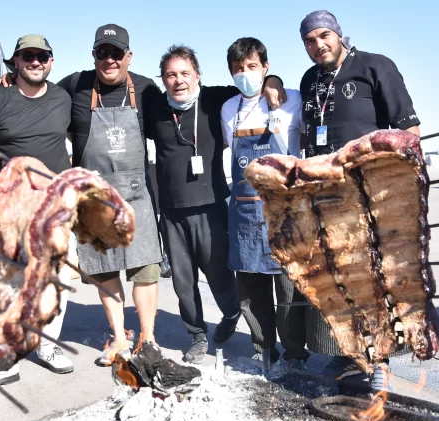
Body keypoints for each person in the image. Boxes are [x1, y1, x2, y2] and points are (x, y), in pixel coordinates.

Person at [299, 10, 420, 390]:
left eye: (323, 36)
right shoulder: (309, 81)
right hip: (326, 197)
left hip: (368, 194)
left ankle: (381, 362)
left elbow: (409, 130)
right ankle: (351, 354)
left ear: (338, 35)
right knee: (340, 278)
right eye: (309, 41)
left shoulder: (374, 66)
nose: (318, 45)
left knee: (372, 278)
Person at [147, 45, 286, 364]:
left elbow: (252, 82)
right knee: (183, 282)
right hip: (171, 212)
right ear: (163, 79)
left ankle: (231, 314)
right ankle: (197, 336)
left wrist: (273, 78)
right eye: (170, 75)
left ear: (198, 75)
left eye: (185, 73)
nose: (178, 81)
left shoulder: (216, 99)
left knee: (221, 276)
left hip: (212, 206)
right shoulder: (154, 108)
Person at [0, 34, 75, 384]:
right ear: (15, 62)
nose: (35, 62)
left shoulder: (63, 98)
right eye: (28, 56)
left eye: (42, 56)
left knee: (57, 278)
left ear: (52, 61)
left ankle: (44, 342)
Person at [55, 24, 163, 365]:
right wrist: (11, 82)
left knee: (145, 272)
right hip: (94, 200)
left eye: (117, 52)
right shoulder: (74, 86)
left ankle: (147, 338)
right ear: (94, 56)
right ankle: (119, 337)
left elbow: (179, 116)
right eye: (103, 52)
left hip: (136, 198)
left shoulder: (146, 89)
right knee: (104, 273)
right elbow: (40, 102)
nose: (110, 59)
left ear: (128, 56)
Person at [220, 37, 309, 369]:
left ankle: (295, 353)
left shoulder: (291, 101)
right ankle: (263, 347)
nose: (246, 74)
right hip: (245, 212)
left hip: (286, 214)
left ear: (266, 67)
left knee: (289, 290)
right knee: (251, 290)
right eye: (239, 69)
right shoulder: (229, 109)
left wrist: (275, 84)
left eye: (252, 67)